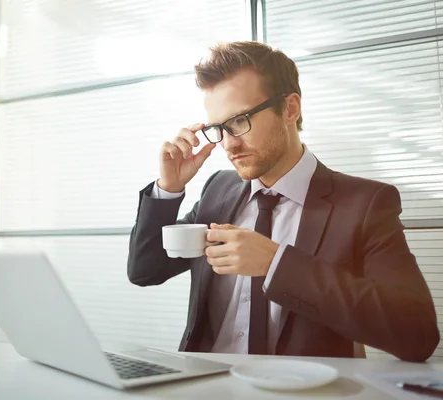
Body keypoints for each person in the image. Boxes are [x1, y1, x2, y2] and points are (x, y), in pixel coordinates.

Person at [126, 41, 439, 362]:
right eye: (219, 129)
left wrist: (276, 264)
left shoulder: (365, 204)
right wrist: (168, 188)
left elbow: (417, 335)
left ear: (290, 108)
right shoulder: (218, 189)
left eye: (239, 121)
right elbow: (144, 271)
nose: (229, 145)